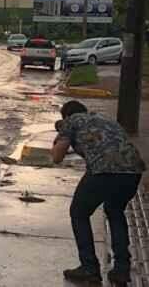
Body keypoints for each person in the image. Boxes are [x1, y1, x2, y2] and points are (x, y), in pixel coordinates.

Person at [52, 101, 146, 284]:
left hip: (104, 170)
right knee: (115, 212)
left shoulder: (70, 122)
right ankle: (121, 269)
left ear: (65, 116)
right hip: (133, 171)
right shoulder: (104, 119)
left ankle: (89, 267)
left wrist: (60, 135)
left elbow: (56, 157)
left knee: (78, 213)